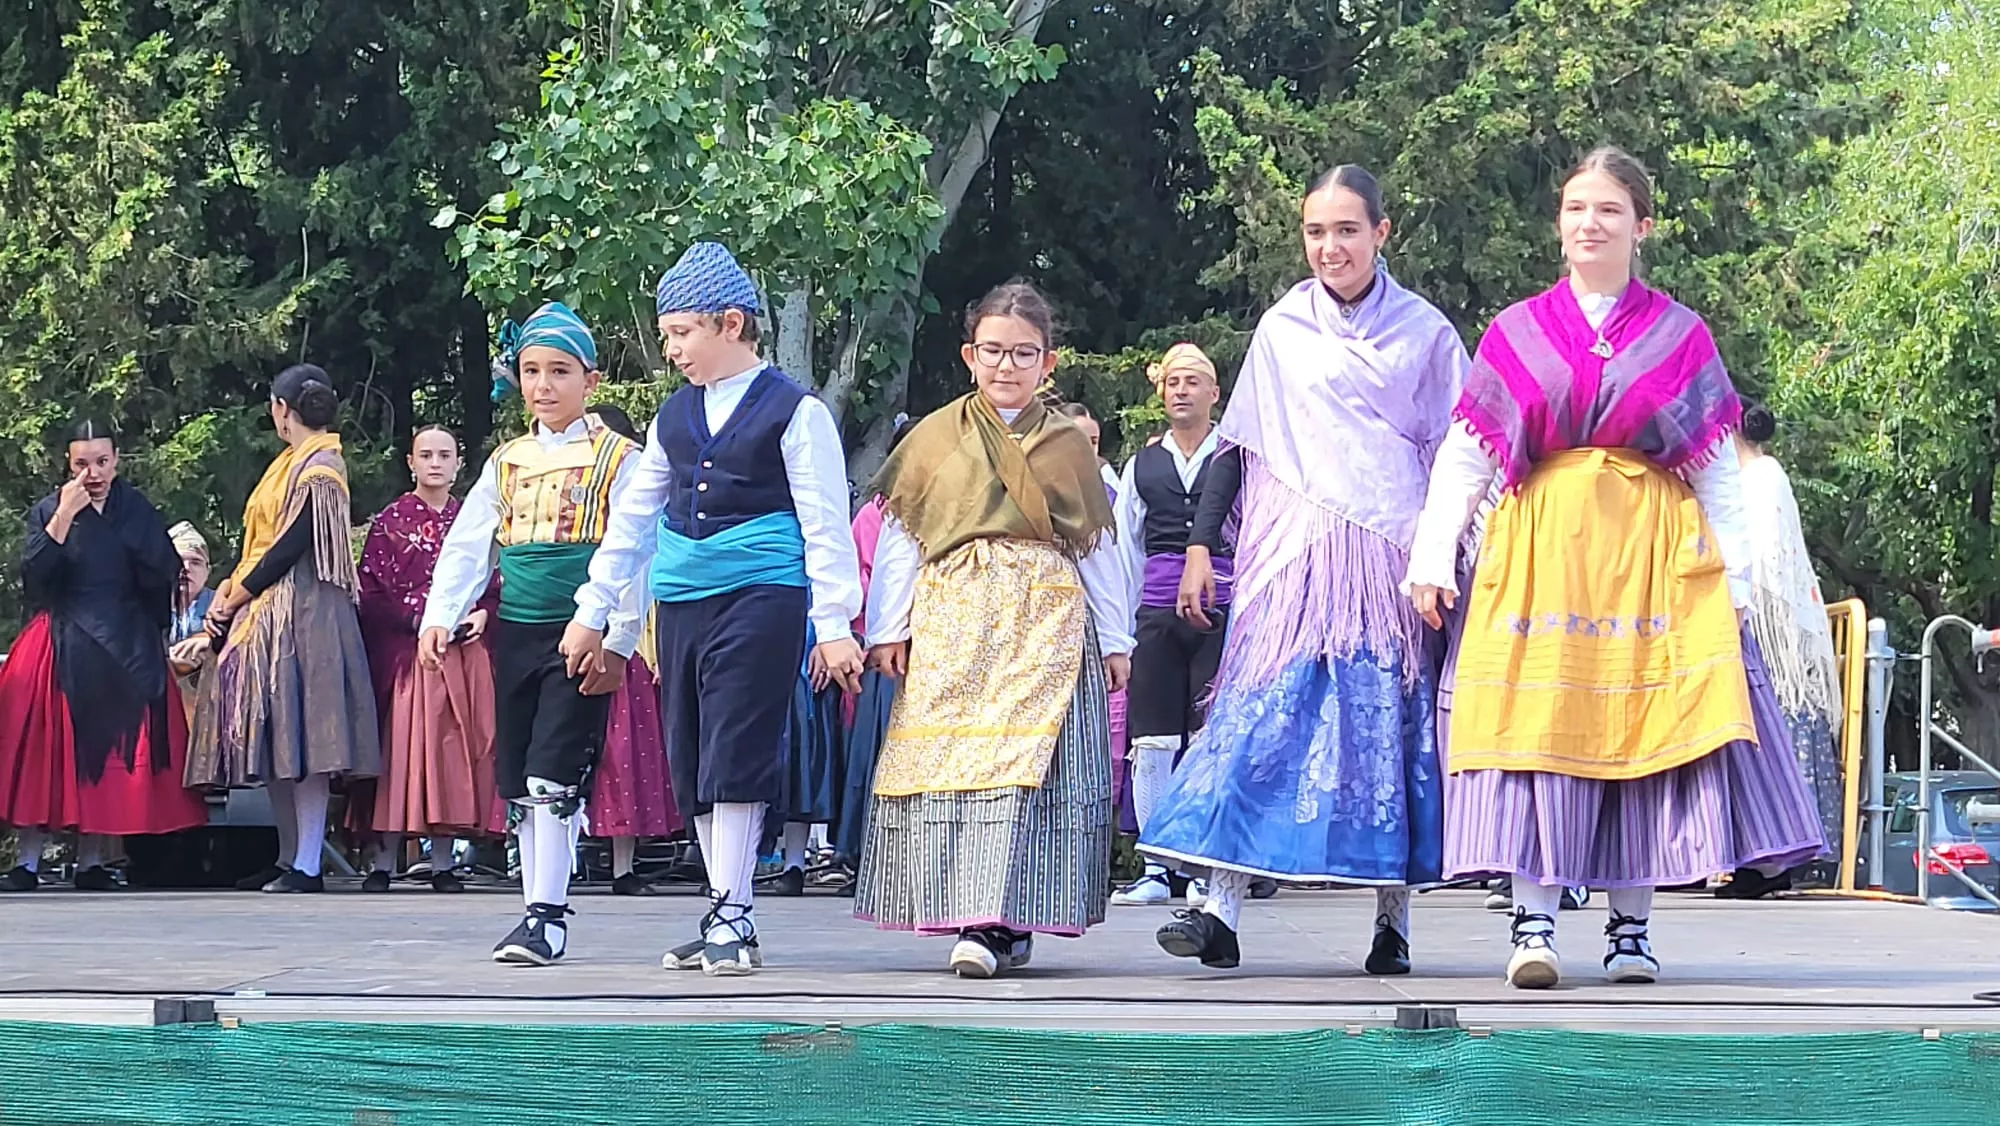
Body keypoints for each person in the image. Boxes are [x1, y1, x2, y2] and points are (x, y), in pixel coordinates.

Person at [1403, 147, 1826, 989]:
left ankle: (1631, 930)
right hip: (1539, 554)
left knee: (1646, 733)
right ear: (1558, 223)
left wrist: (1737, 583)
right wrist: (1432, 552)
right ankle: (1534, 924)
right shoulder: (1517, 331)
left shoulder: (1679, 334)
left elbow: (1715, 471)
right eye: (1574, 209)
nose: (1588, 224)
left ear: (1643, 225)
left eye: (1607, 210)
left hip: (1650, 557)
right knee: (1535, 733)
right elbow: (1466, 454)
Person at [1141, 166, 1467, 976]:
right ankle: (1218, 906)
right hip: (1292, 560)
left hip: (1388, 559)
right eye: (1317, 232)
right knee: (1261, 717)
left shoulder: (1426, 334)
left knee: (1383, 732)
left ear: (1381, 233)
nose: (1331, 247)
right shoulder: (1283, 327)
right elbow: (1239, 448)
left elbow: (1461, 455)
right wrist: (1201, 549)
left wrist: (1451, 557)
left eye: (1347, 230)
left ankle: (1393, 922)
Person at [567, 241, 864, 977]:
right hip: (684, 598)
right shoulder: (674, 416)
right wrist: (595, 610)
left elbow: (826, 521)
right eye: (668, 334)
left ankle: (731, 912)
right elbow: (634, 519)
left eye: (681, 333)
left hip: (763, 593)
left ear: (732, 324)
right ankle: (725, 909)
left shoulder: (795, 412)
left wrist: (833, 627)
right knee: (693, 751)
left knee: (736, 744)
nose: (671, 351)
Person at [856, 280, 1134, 979]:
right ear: (968, 355)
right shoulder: (935, 438)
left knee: (1024, 768)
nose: (1006, 366)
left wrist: (1119, 638)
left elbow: (1098, 547)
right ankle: (975, 913)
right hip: (956, 619)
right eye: (993, 351)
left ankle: (999, 919)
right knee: (961, 764)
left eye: (1023, 353)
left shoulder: (1067, 445)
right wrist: (887, 626)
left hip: (1043, 619)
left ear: (1049, 362)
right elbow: (901, 537)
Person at [421, 303, 646, 964]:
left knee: (554, 772)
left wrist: (618, 637)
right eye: (531, 371)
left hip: (579, 630)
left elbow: (635, 551)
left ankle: (546, 914)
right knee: (519, 774)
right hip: (516, 633)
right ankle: (533, 909)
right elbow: (470, 545)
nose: (543, 385)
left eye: (559, 371)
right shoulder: (508, 461)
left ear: (590, 380)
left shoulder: (618, 459)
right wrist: (440, 613)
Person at [187, 367, 380, 893]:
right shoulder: (290, 464)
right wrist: (232, 595)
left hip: (307, 613)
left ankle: (309, 863)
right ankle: (289, 854)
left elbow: (290, 545)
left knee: (310, 736)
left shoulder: (321, 466)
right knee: (279, 735)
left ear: (280, 408)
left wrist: (234, 595)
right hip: (273, 611)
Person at [0, 422, 210, 891]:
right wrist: (61, 521)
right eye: (81, 464)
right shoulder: (49, 510)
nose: (92, 473)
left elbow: (162, 574)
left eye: (101, 462)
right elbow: (34, 581)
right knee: (46, 755)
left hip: (124, 640)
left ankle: (93, 860)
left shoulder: (135, 511)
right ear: (68, 464)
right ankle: (28, 862)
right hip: (61, 636)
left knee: (108, 755)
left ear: (116, 461)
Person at [1109, 343, 1232, 909]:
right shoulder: (1142, 464)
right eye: (1172, 382)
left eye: (1192, 381)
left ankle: (1206, 863)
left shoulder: (1235, 456)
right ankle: (1157, 864)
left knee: (1210, 735)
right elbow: (1124, 547)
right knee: (1152, 737)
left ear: (1214, 393)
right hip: (1156, 610)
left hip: (1222, 607)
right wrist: (1125, 626)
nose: (1180, 390)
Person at [355, 426, 498, 894]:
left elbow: (496, 580)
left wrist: (484, 613)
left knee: (452, 754)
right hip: (409, 655)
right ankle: (382, 860)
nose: (436, 463)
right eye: (426, 455)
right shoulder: (390, 522)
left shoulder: (474, 519)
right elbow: (371, 592)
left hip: (463, 654)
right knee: (402, 754)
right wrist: (420, 618)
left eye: (445, 455)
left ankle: (442, 862)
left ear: (459, 464)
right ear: (410, 463)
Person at [1720, 403, 1845, 896]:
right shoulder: (1743, 478)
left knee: (1777, 731)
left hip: (1771, 624)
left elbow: (1771, 557)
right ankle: (1754, 860)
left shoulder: (1763, 476)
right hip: (1748, 613)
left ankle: (1777, 861)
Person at [578, 404, 681, 897]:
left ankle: (624, 864)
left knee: (623, 756)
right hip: (570, 631)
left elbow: (649, 577)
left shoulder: (644, 506)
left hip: (628, 642)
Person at [166, 521, 218, 727]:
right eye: (178, 561)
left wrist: (210, 639)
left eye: (195, 562)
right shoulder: (146, 607)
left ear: (207, 570)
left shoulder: (224, 606)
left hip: (211, 708)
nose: (186, 569)